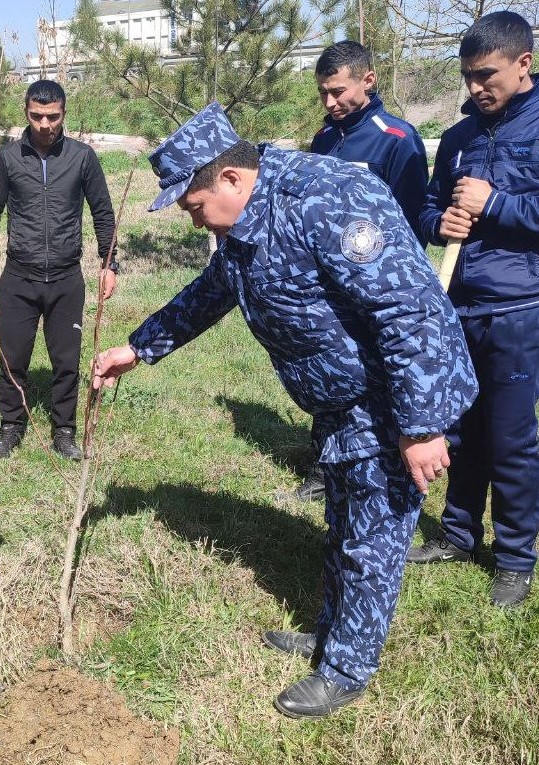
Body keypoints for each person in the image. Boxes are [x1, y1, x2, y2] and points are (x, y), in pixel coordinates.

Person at [92, 102, 477, 718]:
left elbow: (408, 309)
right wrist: (139, 347)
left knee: (372, 537)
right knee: (344, 522)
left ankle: (347, 669)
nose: (196, 223)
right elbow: (215, 289)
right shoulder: (245, 220)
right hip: (339, 401)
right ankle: (332, 633)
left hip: (390, 397)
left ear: (232, 179)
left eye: (194, 207)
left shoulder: (327, 199)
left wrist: (422, 425)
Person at [407, 12, 539, 609]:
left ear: (523, 64)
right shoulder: (459, 139)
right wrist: (443, 222)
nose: (475, 88)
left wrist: (498, 204)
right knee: (462, 432)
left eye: (486, 75)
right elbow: (429, 210)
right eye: (467, 78)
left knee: (510, 439)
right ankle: (458, 534)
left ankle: (514, 558)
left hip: (520, 307)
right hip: (461, 307)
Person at [292, 40, 430, 503]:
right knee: (328, 370)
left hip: (375, 288)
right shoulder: (324, 140)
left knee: (381, 377)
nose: (330, 103)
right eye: (323, 95)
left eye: (338, 91)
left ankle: (390, 466)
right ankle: (325, 466)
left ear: (368, 80)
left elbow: (410, 225)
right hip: (327, 288)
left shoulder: (397, 139)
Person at [0, 79, 117, 461]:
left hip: (66, 279)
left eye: (52, 116)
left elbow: (103, 212)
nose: (44, 124)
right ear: (26, 113)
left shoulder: (82, 158)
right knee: (12, 357)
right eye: (37, 116)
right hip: (19, 277)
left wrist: (109, 263)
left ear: (63, 115)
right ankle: (11, 427)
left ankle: (64, 431)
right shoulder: (8, 158)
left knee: (66, 360)